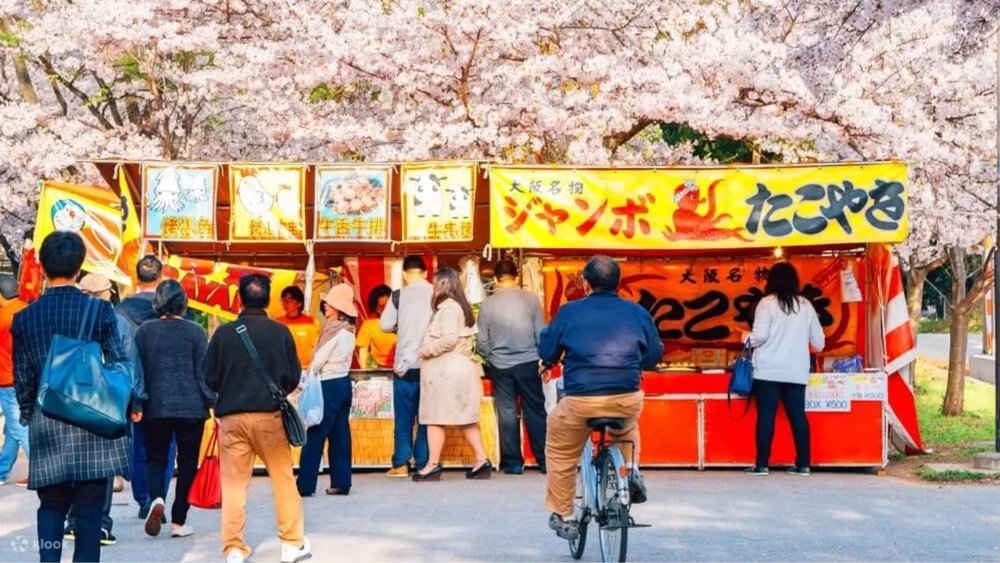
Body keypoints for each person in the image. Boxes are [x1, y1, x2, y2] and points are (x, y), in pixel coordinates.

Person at [11, 231, 139, 562]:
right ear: (80, 266)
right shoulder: (99, 311)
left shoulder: (25, 318)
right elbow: (119, 362)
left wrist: (28, 414)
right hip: (93, 422)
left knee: (51, 506)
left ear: (42, 266)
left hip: (47, 422)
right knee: (90, 511)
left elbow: (23, 378)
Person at [538, 256, 663, 540]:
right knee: (627, 426)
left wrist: (552, 359)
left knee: (560, 451)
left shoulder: (569, 313)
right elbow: (654, 355)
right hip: (626, 397)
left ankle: (565, 515)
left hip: (581, 400)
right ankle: (629, 470)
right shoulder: (637, 313)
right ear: (619, 284)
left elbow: (547, 351)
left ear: (585, 283)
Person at [205, 274, 309, 563]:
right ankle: (291, 544)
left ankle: (234, 548)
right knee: (283, 479)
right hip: (269, 417)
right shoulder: (280, 332)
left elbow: (209, 377)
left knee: (235, 485)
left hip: (232, 419)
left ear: (240, 298)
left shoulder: (224, 334)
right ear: (268, 298)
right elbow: (292, 376)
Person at [63, 273, 143, 546]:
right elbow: (128, 364)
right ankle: (100, 524)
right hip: (108, 400)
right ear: (107, 293)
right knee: (104, 465)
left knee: (75, 460)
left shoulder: (68, 319)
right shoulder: (117, 322)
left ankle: (73, 521)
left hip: (72, 398)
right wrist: (135, 402)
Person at [135, 280, 214, 538]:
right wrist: (213, 403)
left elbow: (138, 373)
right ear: (184, 302)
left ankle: (156, 497)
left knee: (155, 457)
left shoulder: (145, 332)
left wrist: (137, 404)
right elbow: (204, 374)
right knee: (188, 463)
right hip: (192, 408)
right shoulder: (195, 332)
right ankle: (179, 521)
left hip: (155, 406)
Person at [745, 262, 825, 477]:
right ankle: (803, 464)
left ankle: (762, 465)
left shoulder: (766, 304)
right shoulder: (806, 306)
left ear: (771, 281)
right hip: (796, 371)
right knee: (798, 417)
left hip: (768, 371)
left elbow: (759, 336)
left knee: (766, 417)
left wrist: (745, 338)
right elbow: (819, 343)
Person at [412, 268, 493, 482]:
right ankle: (481, 460)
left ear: (443, 285)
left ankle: (432, 464)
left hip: (445, 373)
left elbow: (448, 339)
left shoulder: (448, 309)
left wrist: (424, 351)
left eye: (435, 282)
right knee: (465, 418)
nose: (432, 286)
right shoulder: (460, 308)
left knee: (434, 417)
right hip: (459, 370)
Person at [117, 254, 176, 520]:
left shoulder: (120, 311)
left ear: (135, 277)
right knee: (165, 446)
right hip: (167, 388)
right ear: (161, 277)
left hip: (131, 390)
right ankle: (159, 496)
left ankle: (143, 499)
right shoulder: (170, 308)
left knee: (137, 445)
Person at [477, 259, 547, 475]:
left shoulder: (487, 304)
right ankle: (544, 460)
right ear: (517, 277)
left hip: (500, 365)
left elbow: (481, 342)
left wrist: (492, 357)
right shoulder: (531, 299)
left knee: (506, 412)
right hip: (528, 362)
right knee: (535, 410)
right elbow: (541, 333)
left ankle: (513, 463)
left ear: (496, 279)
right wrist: (542, 359)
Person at [297, 284, 357, 497]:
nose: (325, 305)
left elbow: (319, 360)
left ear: (338, 307)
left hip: (328, 383)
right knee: (340, 434)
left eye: (329, 302)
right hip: (343, 383)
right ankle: (341, 482)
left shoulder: (333, 329)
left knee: (315, 434)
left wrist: (309, 373)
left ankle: (305, 485)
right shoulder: (350, 330)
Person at [379, 255, 433, 478]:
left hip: (404, 366)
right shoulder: (436, 293)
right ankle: (424, 462)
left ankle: (401, 464)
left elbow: (385, 325)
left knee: (404, 417)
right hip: (430, 365)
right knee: (427, 417)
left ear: (404, 274)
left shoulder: (398, 295)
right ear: (426, 273)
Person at [0, 274, 29, 487]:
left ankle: (39, 469)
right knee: (12, 428)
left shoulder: (2, 317)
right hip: (26, 377)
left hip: (7, 378)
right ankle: (2, 470)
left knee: (18, 428)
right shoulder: (27, 309)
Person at [275, 285, 320, 369]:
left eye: (289, 300)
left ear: (299, 303)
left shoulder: (311, 322)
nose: (285, 303)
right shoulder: (277, 321)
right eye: (283, 300)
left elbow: (317, 347)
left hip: (305, 369)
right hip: (284, 368)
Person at [356, 284, 396, 369]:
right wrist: (364, 373)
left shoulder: (402, 322)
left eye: (388, 306)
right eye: (381, 307)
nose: (385, 309)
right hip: (379, 370)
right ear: (374, 306)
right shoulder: (368, 325)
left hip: (402, 368)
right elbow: (363, 352)